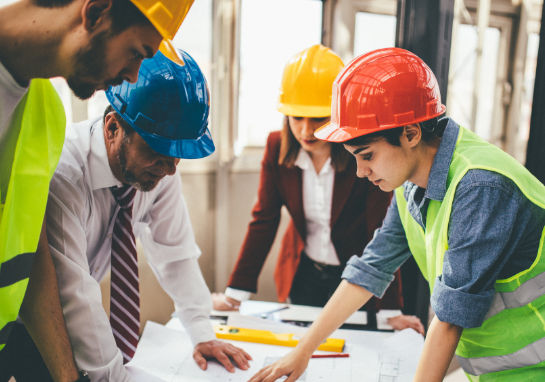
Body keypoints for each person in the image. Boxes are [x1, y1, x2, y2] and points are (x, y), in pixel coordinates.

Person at [249, 48, 545, 382]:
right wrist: (303, 351)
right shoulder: (409, 183)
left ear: (410, 132)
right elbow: (371, 269)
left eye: (367, 155)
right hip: (502, 362)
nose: (359, 172)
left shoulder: (481, 188)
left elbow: (450, 319)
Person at [0, 0, 194, 381]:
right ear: (97, 10)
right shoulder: (65, 152)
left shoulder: (43, 111)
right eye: (136, 53)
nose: (132, 77)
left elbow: (34, 256)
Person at [35, 50, 250, 382]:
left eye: (177, 157)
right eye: (156, 152)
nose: (168, 169)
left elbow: (175, 253)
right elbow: (75, 293)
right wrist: (115, 378)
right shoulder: (64, 175)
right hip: (39, 325)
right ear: (112, 128)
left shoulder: (158, 172)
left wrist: (201, 330)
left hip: (82, 314)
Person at [211, 45, 422, 333]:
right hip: (302, 272)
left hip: (356, 275)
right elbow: (264, 220)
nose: (306, 130)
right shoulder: (276, 148)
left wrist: (391, 311)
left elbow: (383, 230)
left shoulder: (362, 153)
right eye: (297, 117)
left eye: (318, 118)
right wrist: (235, 295)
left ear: (336, 114)